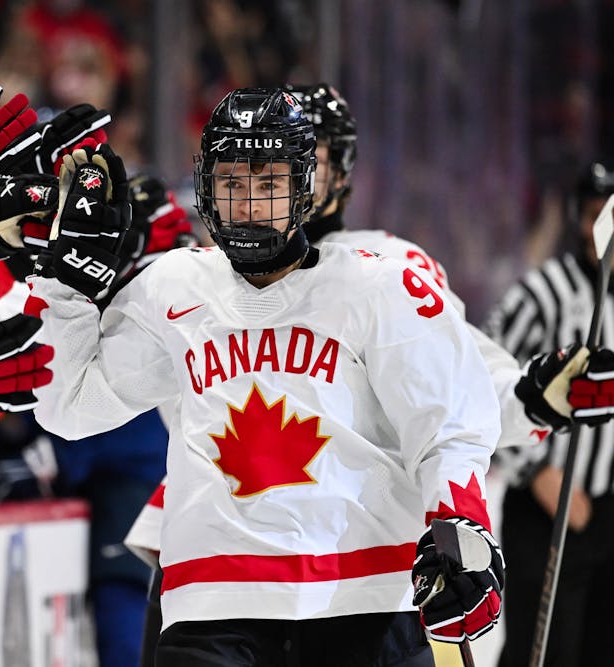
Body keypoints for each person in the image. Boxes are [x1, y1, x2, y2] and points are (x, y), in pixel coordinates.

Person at [31, 87, 505, 665]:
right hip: (212, 605)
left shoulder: (380, 288)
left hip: (364, 600)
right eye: (232, 185)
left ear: (304, 190)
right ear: (207, 192)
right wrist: (65, 284)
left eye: (268, 184)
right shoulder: (172, 288)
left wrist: (463, 535)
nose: (250, 205)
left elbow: (448, 428)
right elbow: (70, 409)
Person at [486, 159, 614, 667]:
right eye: (590, 214)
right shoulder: (542, 295)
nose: (597, 228)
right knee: (542, 656)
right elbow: (482, 383)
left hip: (609, 513)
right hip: (549, 514)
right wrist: (535, 471)